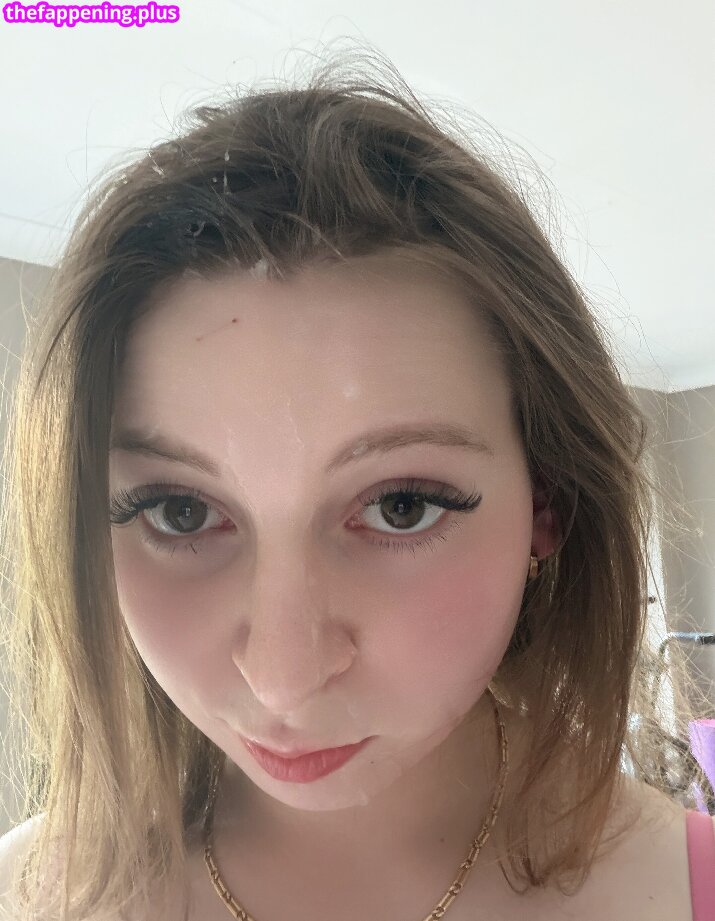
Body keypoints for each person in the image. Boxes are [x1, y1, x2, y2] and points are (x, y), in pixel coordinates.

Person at [0, 47, 713, 921]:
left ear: (548, 502)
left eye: (399, 506)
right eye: (179, 510)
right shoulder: (28, 895)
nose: (283, 678)